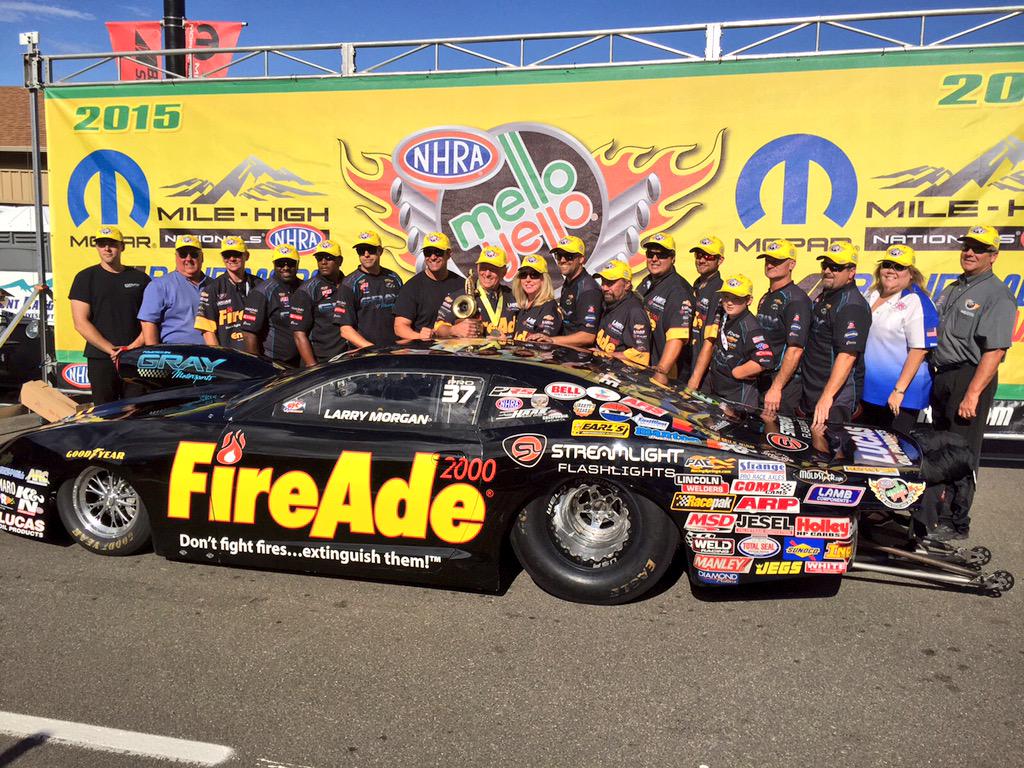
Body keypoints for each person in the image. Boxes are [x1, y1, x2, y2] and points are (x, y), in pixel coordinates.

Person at [927, 224, 1015, 540]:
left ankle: (956, 522)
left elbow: (995, 350)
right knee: (940, 449)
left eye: (978, 248)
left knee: (961, 452)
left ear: (993, 256)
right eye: (967, 246)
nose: (970, 252)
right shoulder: (954, 288)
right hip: (945, 375)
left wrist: (973, 394)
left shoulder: (997, 295)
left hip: (970, 376)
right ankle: (934, 514)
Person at [68, 225, 150, 404]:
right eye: (102, 244)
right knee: (104, 414)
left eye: (112, 244)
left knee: (136, 413)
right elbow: (80, 322)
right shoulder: (85, 278)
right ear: (96, 247)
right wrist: (110, 350)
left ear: (122, 246)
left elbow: (151, 320)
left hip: (135, 357)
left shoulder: (140, 279)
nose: (107, 248)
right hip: (101, 358)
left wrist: (132, 347)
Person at [861, 244, 938, 434]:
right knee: (867, 450)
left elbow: (920, 350)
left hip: (901, 393)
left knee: (894, 452)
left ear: (911, 273)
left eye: (899, 267)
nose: (891, 271)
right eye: (887, 264)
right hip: (870, 388)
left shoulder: (917, 301)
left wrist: (899, 390)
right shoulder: (871, 294)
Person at [800, 242, 872, 426]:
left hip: (835, 397)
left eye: (836, 267)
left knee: (830, 450)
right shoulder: (826, 295)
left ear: (851, 272)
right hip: (812, 389)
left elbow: (848, 355)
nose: (828, 271)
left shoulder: (852, 305)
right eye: (825, 265)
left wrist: (827, 396)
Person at [755, 239, 812, 416]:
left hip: (783, 385)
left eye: (777, 261)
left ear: (791, 264)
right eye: (768, 260)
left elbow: (795, 349)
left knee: (776, 438)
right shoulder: (767, 296)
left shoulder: (796, 300)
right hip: (762, 379)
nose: (770, 264)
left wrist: (776, 388)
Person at [701, 274, 775, 409]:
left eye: (736, 298)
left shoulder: (750, 327)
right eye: (726, 297)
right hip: (718, 390)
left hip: (737, 399)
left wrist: (738, 372)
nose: (729, 302)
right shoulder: (724, 315)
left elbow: (765, 360)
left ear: (749, 300)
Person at [635, 233, 695, 384]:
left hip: (666, 376)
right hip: (643, 367)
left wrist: (661, 371)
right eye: (650, 254)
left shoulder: (678, 290)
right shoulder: (648, 281)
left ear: (673, 258)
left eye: (661, 255)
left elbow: (677, 337)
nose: (654, 259)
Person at [334, 230, 403, 349]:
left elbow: (403, 317)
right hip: (364, 354)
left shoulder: (394, 278)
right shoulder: (348, 284)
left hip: (394, 350)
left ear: (380, 251)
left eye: (370, 250)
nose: (366, 255)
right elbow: (345, 329)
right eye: (361, 251)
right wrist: (372, 349)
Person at [138, 234, 209, 346]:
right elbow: (148, 323)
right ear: (176, 257)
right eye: (183, 254)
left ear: (202, 257)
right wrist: (155, 354)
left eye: (194, 254)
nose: (188, 259)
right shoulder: (159, 285)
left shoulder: (214, 285)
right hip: (175, 354)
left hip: (213, 354)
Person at [530, 235, 601, 346]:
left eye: (569, 256)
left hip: (579, 358)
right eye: (559, 255)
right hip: (566, 350)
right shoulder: (570, 282)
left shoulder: (588, 290)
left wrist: (552, 341)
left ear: (581, 259)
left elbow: (588, 336)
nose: (562, 260)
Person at [393, 232, 465, 341]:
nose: (433, 257)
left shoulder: (462, 284)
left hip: (456, 352)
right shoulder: (412, 287)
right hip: (424, 352)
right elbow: (400, 327)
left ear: (449, 254)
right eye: (428, 252)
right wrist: (419, 337)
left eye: (438, 252)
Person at [241, 243, 305, 366]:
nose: (285, 267)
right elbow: (249, 333)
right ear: (274, 265)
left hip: (303, 362)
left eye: (290, 263)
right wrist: (258, 366)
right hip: (275, 364)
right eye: (281, 263)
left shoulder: (305, 288)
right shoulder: (262, 292)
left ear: (297, 264)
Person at [194, 235, 262, 350]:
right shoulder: (213, 288)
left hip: (259, 355)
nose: (231, 259)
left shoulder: (260, 285)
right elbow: (207, 330)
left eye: (236, 254)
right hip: (230, 357)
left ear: (247, 256)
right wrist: (219, 356)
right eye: (227, 255)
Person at [435, 245, 517, 339]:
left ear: (504, 272)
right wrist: (453, 330)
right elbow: (438, 329)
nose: (487, 274)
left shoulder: (513, 296)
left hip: (505, 353)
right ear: (477, 268)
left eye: (493, 269)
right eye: (483, 267)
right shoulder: (459, 297)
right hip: (471, 353)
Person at [292, 239, 347, 365]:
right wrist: (312, 367)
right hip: (321, 361)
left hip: (348, 359)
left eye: (328, 258)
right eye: (319, 258)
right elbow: (299, 334)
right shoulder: (306, 291)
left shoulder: (350, 284)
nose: (323, 262)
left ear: (340, 261)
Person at [593, 259, 651, 366]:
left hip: (620, 377)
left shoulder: (635, 311)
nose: (604, 287)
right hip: (600, 368)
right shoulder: (608, 302)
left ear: (627, 284)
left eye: (610, 283)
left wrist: (605, 354)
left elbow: (641, 354)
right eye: (603, 281)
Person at [685, 235, 726, 386]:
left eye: (708, 256)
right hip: (687, 366)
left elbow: (710, 340)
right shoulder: (695, 286)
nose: (701, 260)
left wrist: (695, 380)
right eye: (699, 255)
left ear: (720, 260)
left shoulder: (719, 291)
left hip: (703, 376)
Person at [514, 254, 562, 341]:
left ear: (543, 279)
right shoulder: (523, 307)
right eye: (524, 275)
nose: (528, 279)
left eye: (534, 275)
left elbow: (543, 341)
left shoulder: (549, 306)